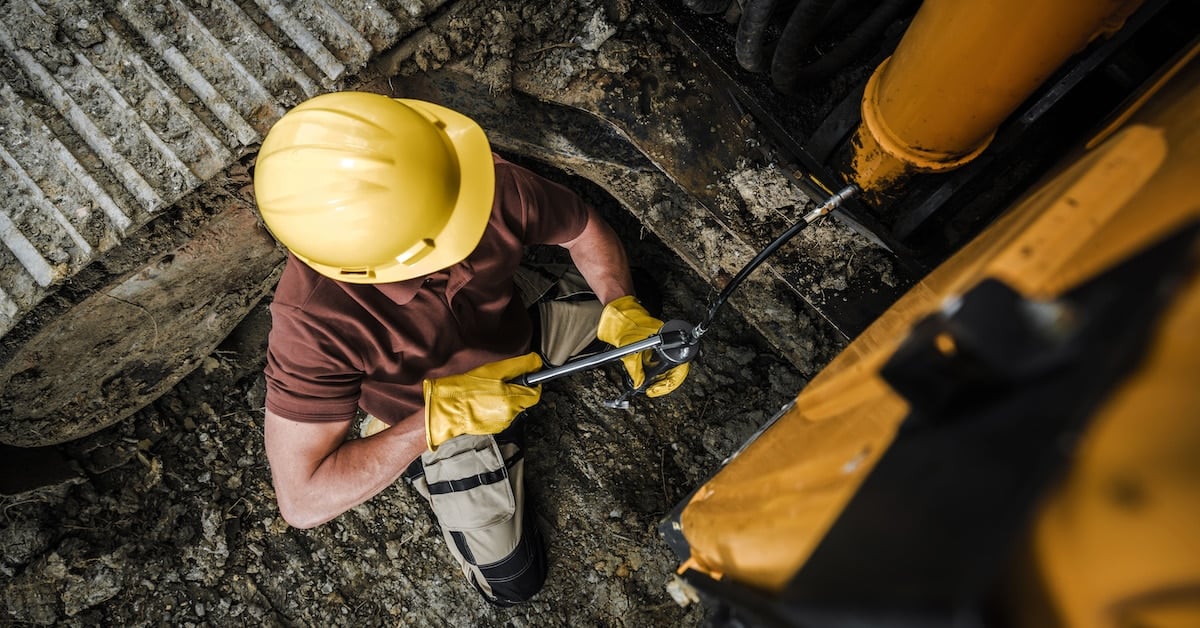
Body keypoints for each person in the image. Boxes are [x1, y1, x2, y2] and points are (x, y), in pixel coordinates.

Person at [251, 91, 688, 606]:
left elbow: (584, 229)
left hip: (519, 338)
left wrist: (621, 305)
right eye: (449, 234)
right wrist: (432, 421)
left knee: (651, 312)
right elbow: (302, 501)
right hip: (429, 415)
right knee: (514, 581)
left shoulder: (464, 183)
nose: (473, 219)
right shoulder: (313, 323)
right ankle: (413, 454)